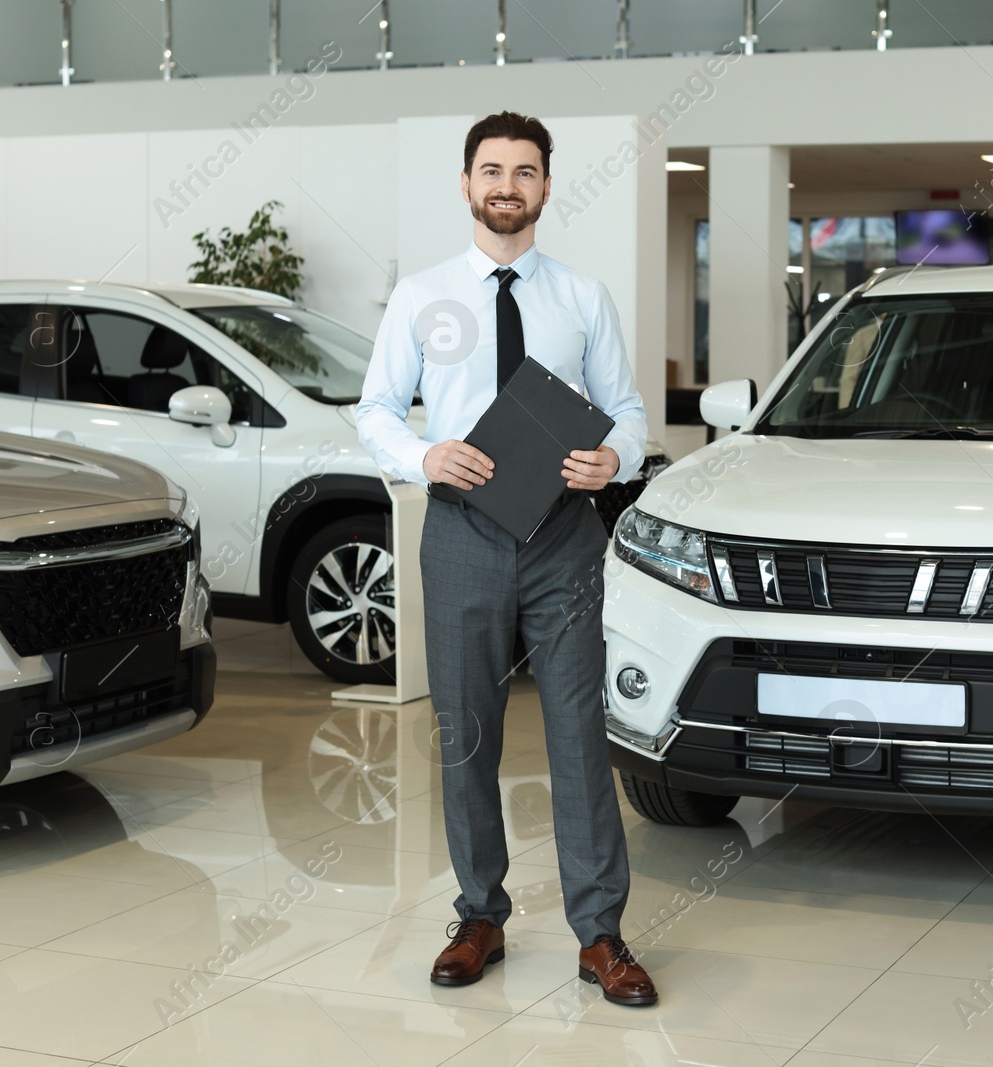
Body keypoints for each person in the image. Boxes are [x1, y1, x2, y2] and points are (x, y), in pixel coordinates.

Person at [354, 111, 657, 1007]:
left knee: (577, 739)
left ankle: (599, 934)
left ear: (547, 188)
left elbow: (629, 410)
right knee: (466, 736)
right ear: (466, 183)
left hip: (565, 536)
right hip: (461, 532)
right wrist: (423, 456)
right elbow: (374, 410)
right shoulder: (422, 296)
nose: (507, 186)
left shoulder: (582, 297)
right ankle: (479, 914)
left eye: (525, 171)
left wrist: (616, 459)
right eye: (492, 170)